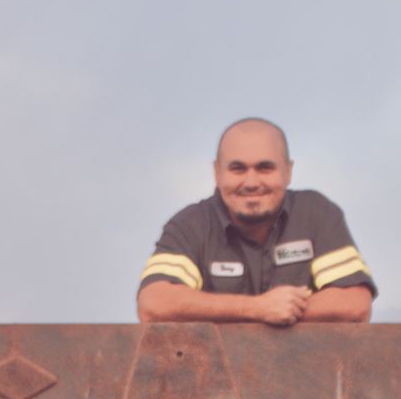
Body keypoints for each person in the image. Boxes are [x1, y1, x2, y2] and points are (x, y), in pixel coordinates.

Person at [137, 117, 375, 326]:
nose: (251, 182)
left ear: (288, 171)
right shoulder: (190, 224)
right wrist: (259, 309)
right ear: (217, 173)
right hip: (216, 374)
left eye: (265, 168)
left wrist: (284, 310)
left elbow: (355, 303)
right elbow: (154, 304)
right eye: (238, 169)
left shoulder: (316, 213)